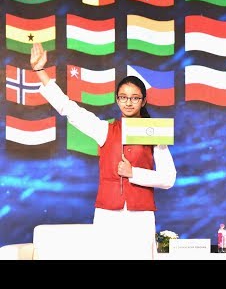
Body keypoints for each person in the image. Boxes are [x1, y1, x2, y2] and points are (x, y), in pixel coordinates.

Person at [30, 42, 177, 260]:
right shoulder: (104, 130)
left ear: (143, 100)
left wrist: (134, 173)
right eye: (123, 97)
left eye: (135, 97)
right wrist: (40, 71)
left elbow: (168, 178)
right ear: (117, 99)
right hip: (108, 215)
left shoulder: (154, 132)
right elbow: (69, 109)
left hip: (141, 217)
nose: (128, 102)